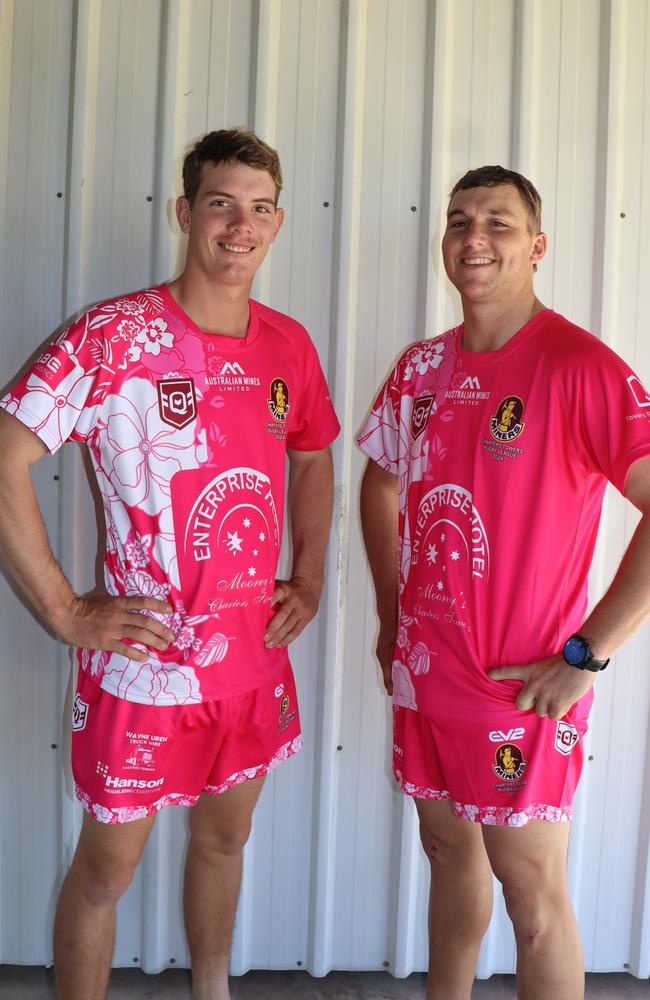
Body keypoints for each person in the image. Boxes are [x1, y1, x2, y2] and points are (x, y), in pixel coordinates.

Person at [0, 128, 339, 1000]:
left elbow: (312, 455)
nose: (240, 224)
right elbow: (4, 452)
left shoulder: (289, 346)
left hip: (252, 660)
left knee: (225, 841)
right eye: (221, 203)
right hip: (143, 671)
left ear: (279, 221)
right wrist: (64, 610)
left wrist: (307, 575)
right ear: (185, 212)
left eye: (260, 207)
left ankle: (212, 990)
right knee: (107, 872)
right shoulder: (113, 336)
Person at [357, 165, 650, 1000]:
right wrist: (390, 612)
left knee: (533, 898)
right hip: (425, 672)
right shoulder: (420, 368)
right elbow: (381, 481)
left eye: (498, 222)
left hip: (518, 689)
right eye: (458, 221)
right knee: (449, 856)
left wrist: (585, 654)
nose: (473, 238)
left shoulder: (579, 366)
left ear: (537, 246)